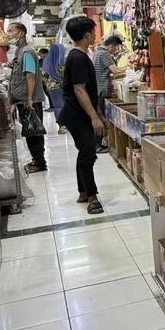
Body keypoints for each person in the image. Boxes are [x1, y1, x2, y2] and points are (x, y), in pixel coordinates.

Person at [59, 16, 105, 215]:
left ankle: (83, 191)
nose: (95, 35)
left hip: (77, 113)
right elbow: (79, 89)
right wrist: (94, 117)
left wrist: (97, 113)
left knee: (84, 151)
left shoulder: (78, 55)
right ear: (87, 34)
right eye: (93, 32)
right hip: (78, 115)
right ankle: (92, 197)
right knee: (88, 153)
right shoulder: (77, 58)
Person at [6, 22, 47, 173]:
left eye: (11, 31)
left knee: (34, 131)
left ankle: (40, 162)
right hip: (23, 99)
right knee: (30, 131)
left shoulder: (27, 52)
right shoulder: (20, 51)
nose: (8, 34)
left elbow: (30, 76)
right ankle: (36, 160)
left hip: (29, 100)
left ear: (21, 33)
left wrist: (29, 98)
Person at [93, 35, 126, 153]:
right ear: (111, 46)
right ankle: (97, 145)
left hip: (98, 89)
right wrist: (130, 68)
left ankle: (98, 143)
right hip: (102, 89)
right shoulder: (105, 54)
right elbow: (115, 70)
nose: (116, 51)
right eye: (116, 48)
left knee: (100, 116)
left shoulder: (97, 52)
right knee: (101, 118)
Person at [42, 43, 68, 135]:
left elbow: (44, 77)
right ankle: (68, 124)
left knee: (57, 106)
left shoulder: (46, 61)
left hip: (52, 87)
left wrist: (49, 83)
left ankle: (61, 126)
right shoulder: (63, 61)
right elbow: (67, 75)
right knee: (66, 105)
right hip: (65, 86)